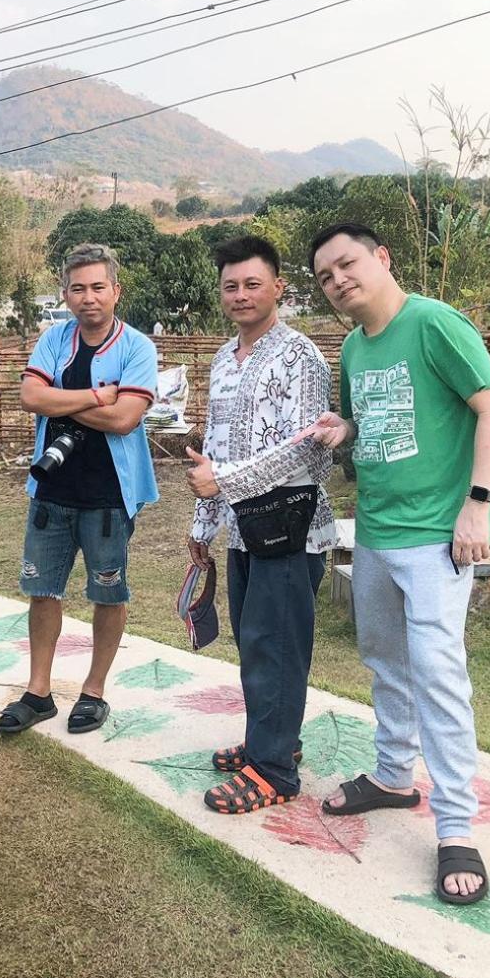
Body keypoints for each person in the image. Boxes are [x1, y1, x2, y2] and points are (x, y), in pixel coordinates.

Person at [302, 223, 490, 906]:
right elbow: (370, 423)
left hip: (436, 536)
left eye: (347, 264)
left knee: (437, 672)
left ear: (381, 258)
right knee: (384, 658)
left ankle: (457, 829)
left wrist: (478, 504)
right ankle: (394, 775)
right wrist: (343, 429)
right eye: (325, 276)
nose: (338, 281)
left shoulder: (434, 324)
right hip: (377, 531)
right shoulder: (354, 348)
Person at [182, 235, 337, 814]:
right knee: (255, 643)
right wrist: (204, 525)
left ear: (278, 287)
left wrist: (223, 482)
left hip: (291, 528)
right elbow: (213, 450)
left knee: (277, 648)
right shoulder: (224, 359)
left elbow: (309, 449)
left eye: (253, 283)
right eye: (231, 286)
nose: (241, 295)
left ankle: (273, 772)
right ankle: (270, 744)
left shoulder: (302, 357)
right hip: (244, 530)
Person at [0, 243, 159, 736]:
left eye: (98, 287)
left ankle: (93, 690)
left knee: (108, 594)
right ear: (65, 293)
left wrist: (61, 402)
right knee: (42, 591)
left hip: (110, 493)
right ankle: (38, 692)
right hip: (51, 489)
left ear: (116, 291)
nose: (88, 298)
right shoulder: (54, 338)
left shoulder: (137, 347)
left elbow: (125, 418)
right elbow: (30, 395)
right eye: (78, 288)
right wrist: (95, 397)